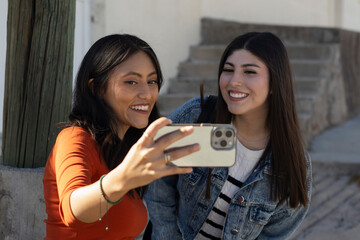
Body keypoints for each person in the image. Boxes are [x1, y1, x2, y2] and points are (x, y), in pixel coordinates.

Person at [145, 32, 312, 240]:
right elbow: (157, 180)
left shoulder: (291, 164)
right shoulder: (197, 115)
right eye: (228, 70)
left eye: (249, 72)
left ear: (275, 82)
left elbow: (276, 233)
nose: (234, 82)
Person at [42, 34, 199, 239]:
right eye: (131, 82)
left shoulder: (125, 147)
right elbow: (73, 210)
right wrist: (123, 178)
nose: (147, 94)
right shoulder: (75, 138)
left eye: (151, 81)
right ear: (97, 88)